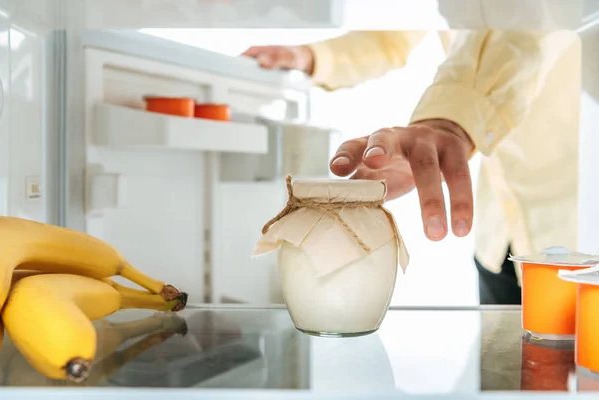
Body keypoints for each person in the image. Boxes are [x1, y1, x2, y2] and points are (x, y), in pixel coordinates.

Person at [242, 30, 581, 305]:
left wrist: (450, 121)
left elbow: (527, 29)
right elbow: (393, 32)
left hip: (573, 236)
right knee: (502, 379)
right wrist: (312, 57)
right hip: (497, 237)